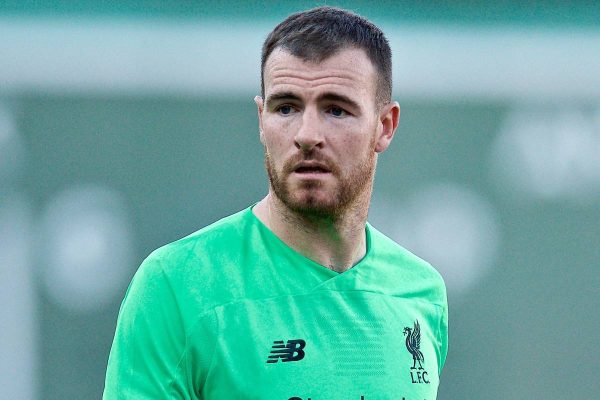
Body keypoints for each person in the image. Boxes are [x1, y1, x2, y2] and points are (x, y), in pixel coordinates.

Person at [103, 6, 448, 399]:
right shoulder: (175, 284)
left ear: (384, 127)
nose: (307, 134)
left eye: (336, 109)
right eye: (286, 108)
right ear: (261, 119)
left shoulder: (420, 292)